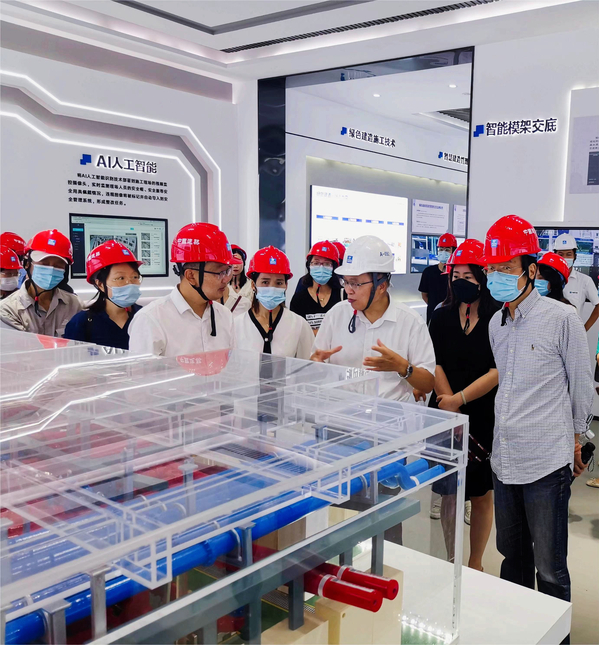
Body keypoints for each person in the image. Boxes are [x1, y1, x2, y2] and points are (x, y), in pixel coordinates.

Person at [483, 214, 593, 604]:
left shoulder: (562, 319)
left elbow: (581, 384)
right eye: (491, 269)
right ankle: (519, 628)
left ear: (530, 270)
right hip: (504, 461)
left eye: (506, 268)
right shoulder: (496, 323)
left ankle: (555, 632)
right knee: (512, 559)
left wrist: (577, 440)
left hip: (546, 463)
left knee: (549, 568)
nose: (496, 276)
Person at [426, 239, 500, 570]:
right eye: (455, 276)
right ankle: (452, 560)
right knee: (450, 491)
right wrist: (449, 403)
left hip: (483, 413)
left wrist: (461, 399)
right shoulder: (441, 316)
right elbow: (435, 361)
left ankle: (475, 562)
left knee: (481, 493)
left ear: (483, 278)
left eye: (468, 277)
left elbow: (497, 370)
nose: (460, 282)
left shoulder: (498, 318)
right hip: (445, 413)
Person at [312, 235, 435, 401]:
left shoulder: (410, 322)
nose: (348, 290)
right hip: (341, 410)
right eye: (345, 282)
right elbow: (316, 366)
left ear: (381, 286)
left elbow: (427, 384)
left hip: (390, 414)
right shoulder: (336, 315)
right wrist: (314, 364)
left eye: (355, 283)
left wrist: (402, 367)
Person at [128, 223, 235, 357]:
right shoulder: (151, 319)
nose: (226, 279)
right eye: (220, 273)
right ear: (191, 276)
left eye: (228, 271)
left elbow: (232, 364)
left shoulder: (224, 315)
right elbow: (141, 370)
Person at [234, 246, 313, 359]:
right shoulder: (237, 325)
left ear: (286, 285)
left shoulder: (299, 325)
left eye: (279, 283)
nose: (272, 288)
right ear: (253, 285)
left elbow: (307, 365)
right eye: (265, 282)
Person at [0, 229, 81, 337]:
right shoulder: (8, 309)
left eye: (58, 265)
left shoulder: (75, 305)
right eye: (44, 263)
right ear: (27, 264)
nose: (51, 270)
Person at [64, 241, 143, 349]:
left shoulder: (145, 316)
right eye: (121, 278)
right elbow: (71, 357)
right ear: (100, 284)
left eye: (135, 277)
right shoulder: (82, 323)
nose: (130, 284)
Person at [290, 241, 344, 334]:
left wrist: (314, 333)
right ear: (309, 265)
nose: (321, 267)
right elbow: (295, 332)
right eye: (316, 263)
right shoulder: (299, 299)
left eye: (327, 264)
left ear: (334, 268)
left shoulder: (343, 296)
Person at [553, 233, 599, 331]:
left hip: (572, 333)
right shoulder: (545, 279)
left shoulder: (585, 281)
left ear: (575, 256)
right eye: (560, 254)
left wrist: (584, 329)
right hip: (548, 332)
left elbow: (598, 304)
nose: (565, 258)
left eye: (569, 254)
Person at [418, 233, 458, 323]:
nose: (443, 252)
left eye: (447, 249)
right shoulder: (428, 272)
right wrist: (436, 307)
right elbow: (424, 295)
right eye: (441, 249)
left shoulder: (457, 273)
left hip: (453, 315)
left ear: (454, 251)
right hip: (433, 314)